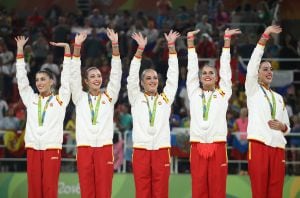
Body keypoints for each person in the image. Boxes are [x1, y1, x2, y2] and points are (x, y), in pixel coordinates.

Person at [187, 28, 241, 198]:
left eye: (211, 73)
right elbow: (191, 69)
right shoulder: (194, 92)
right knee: (198, 189)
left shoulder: (223, 93)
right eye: (204, 73)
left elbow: (226, 71)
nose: (208, 75)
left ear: (217, 78)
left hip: (218, 146)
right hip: (197, 147)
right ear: (200, 77)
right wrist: (190, 44)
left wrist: (226, 42)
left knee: (218, 190)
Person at [15, 36, 71, 198]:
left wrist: (67, 51)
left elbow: (66, 80)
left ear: (52, 82)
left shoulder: (60, 100)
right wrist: (20, 51)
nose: (39, 83)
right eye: (37, 80)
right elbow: (21, 81)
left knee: (49, 189)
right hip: (33, 148)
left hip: (51, 148)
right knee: (33, 190)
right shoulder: (31, 99)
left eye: (43, 79)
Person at [127, 30, 180, 198]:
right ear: (142, 83)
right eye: (148, 78)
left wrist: (171, 47)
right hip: (141, 149)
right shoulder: (136, 97)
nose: (152, 81)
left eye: (155, 78)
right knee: (142, 192)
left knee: (161, 191)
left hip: (161, 149)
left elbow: (174, 77)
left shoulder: (165, 98)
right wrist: (140, 50)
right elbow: (131, 77)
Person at [70, 29, 122, 198]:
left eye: (99, 76)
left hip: (104, 148)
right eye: (92, 76)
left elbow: (116, 75)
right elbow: (73, 75)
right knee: (87, 191)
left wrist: (115, 46)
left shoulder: (109, 96)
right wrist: (77, 47)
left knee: (104, 191)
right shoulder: (79, 97)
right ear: (85, 81)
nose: (97, 79)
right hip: (84, 148)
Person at [245, 25, 290, 198]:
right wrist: (265, 37)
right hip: (259, 145)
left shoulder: (279, 97)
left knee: (276, 193)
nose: (269, 71)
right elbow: (252, 64)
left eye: (271, 69)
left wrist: (283, 127)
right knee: (259, 192)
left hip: (278, 147)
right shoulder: (253, 90)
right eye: (265, 69)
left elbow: (287, 126)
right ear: (257, 74)